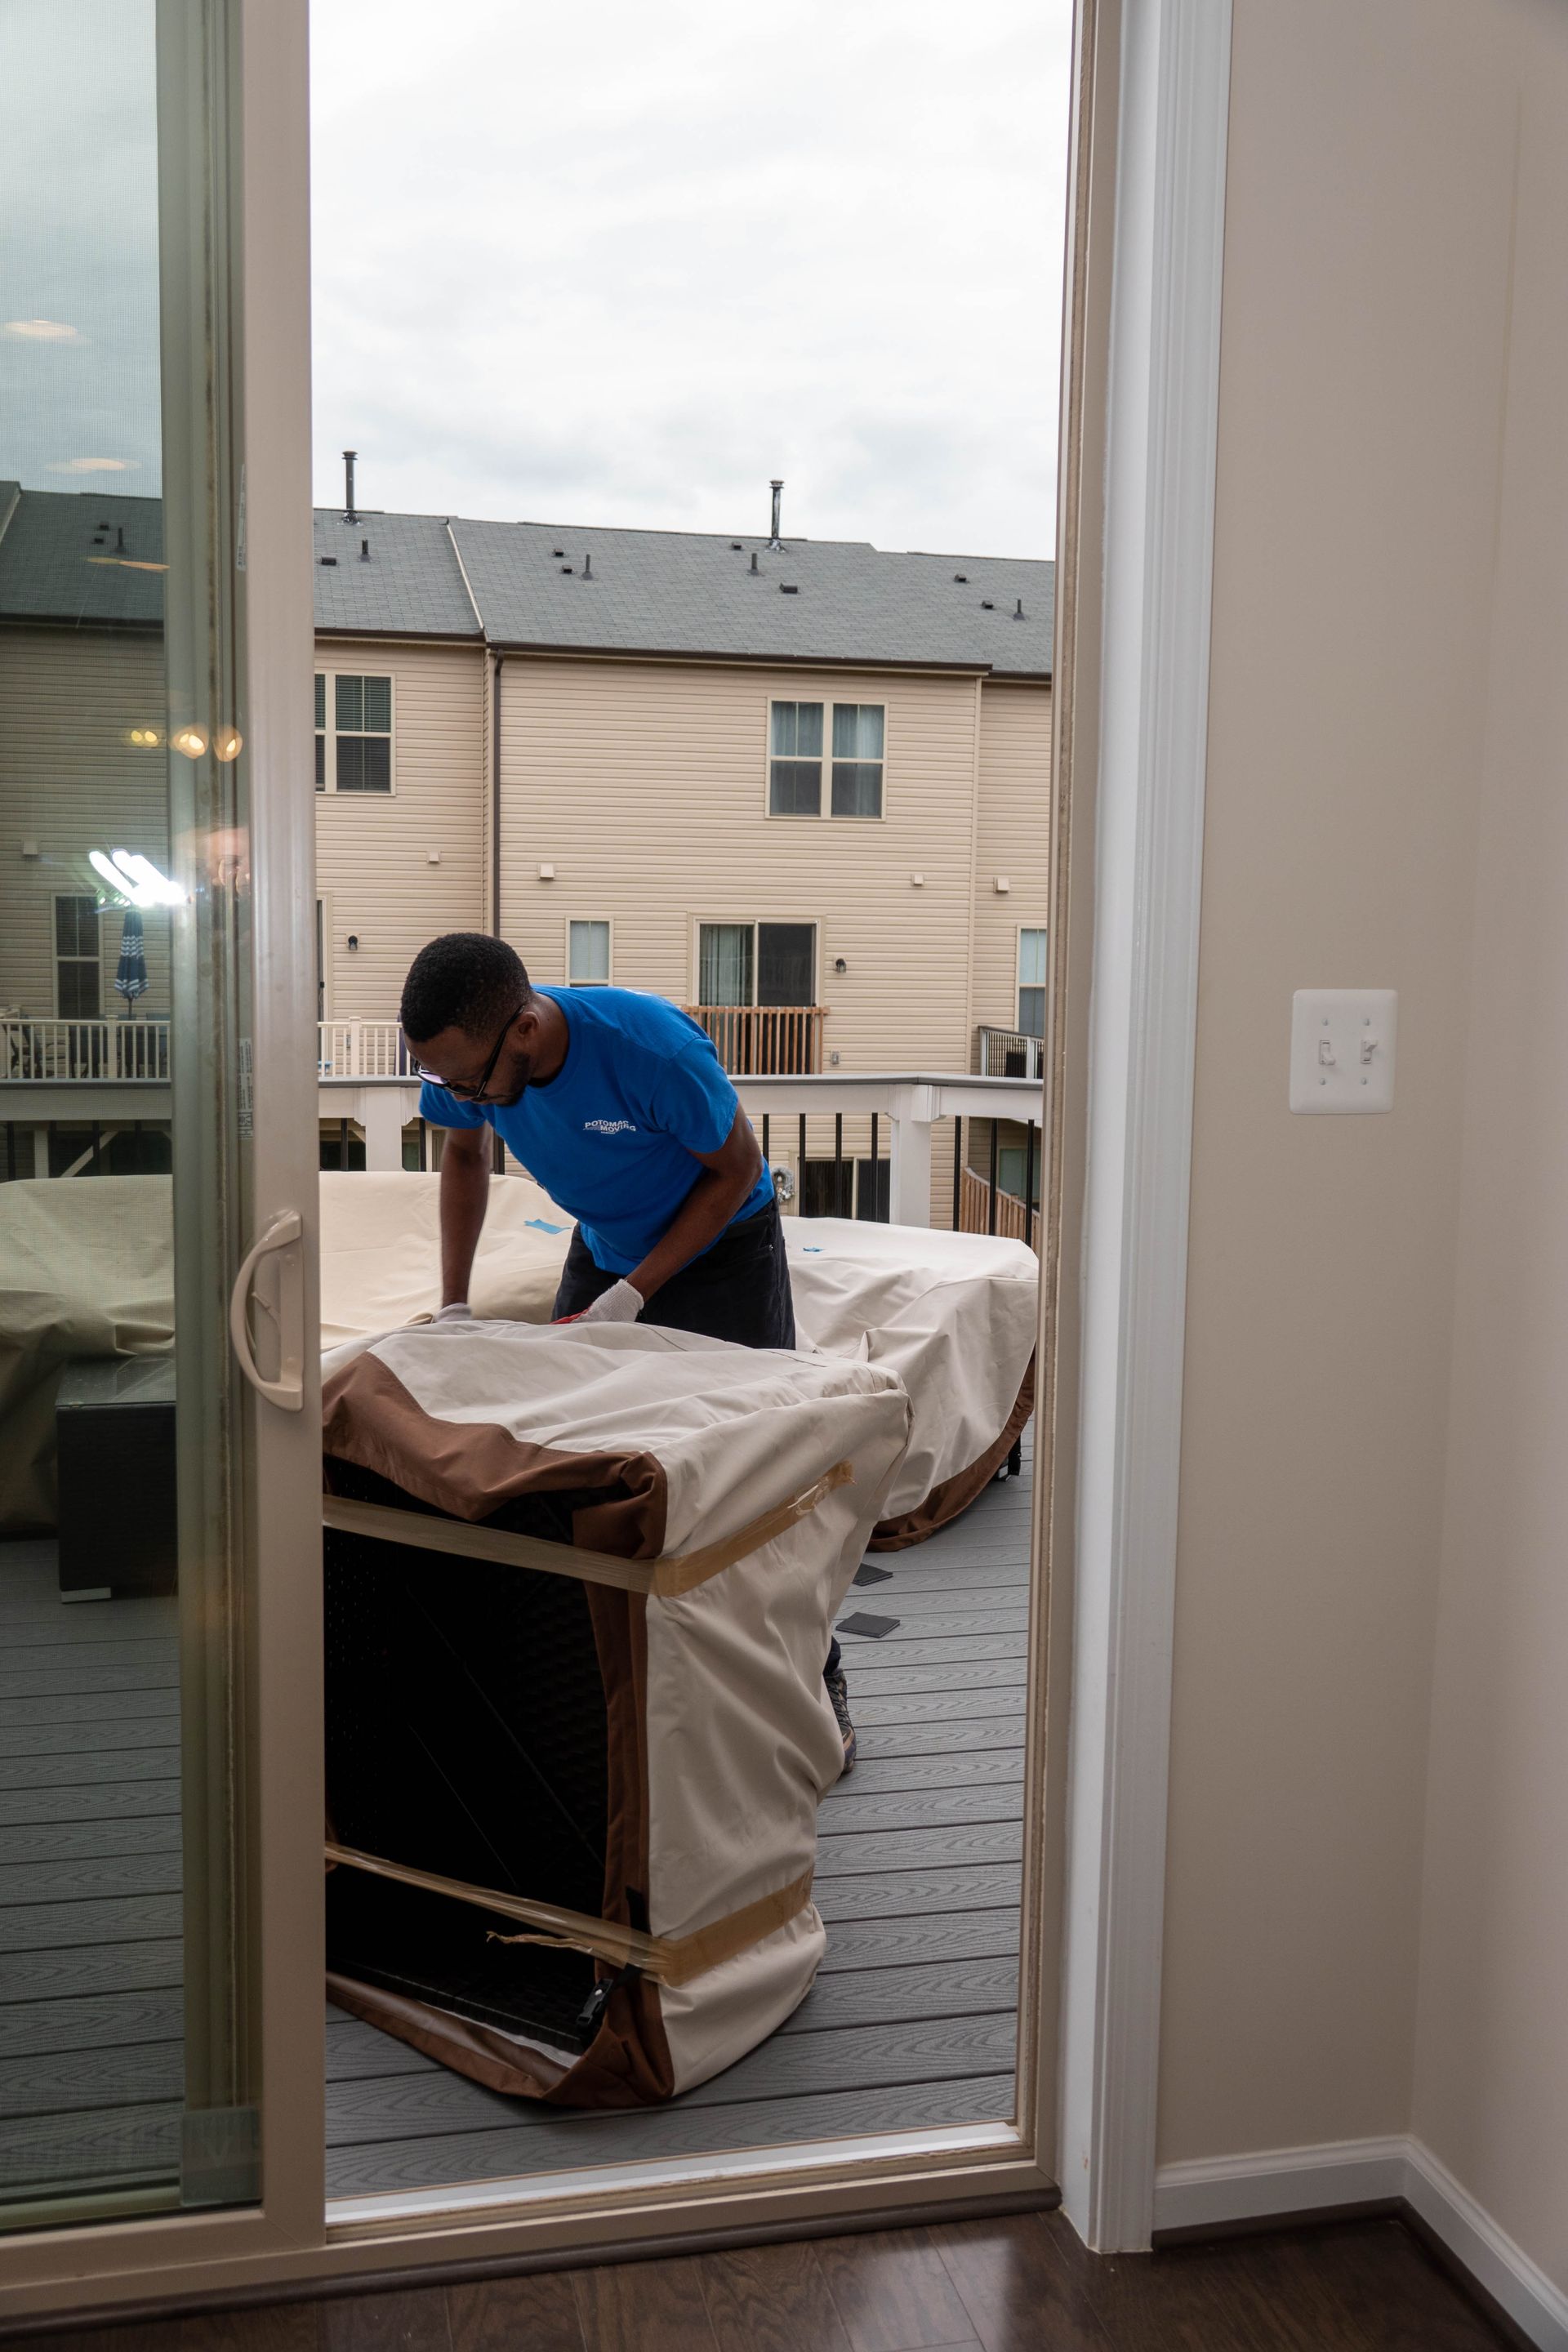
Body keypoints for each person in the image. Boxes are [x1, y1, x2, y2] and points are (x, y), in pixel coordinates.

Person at [400, 932, 857, 1771]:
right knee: (575, 1460)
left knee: (761, 1474)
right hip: (608, 1248)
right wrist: (455, 1303)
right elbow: (462, 1155)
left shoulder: (651, 1049)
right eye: (440, 1079)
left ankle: (818, 1678)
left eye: (466, 1079)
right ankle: (601, 1677)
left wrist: (637, 1295)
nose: (459, 1095)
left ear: (527, 1032)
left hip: (724, 1247)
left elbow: (735, 1168)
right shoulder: (472, 1063)